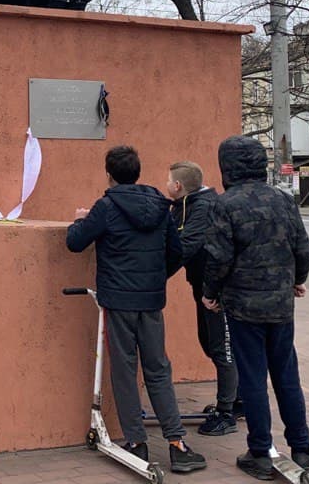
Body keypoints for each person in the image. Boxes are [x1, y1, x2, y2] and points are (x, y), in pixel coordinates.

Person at [68, 145, 207, 474]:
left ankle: (136, 441)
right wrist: (156, 279)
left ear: (110, 174)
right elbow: (175, 251)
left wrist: (79, 220)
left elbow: (75, 243)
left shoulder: (106, 206)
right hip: (151, 301)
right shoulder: (161, 205)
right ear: (138, 171)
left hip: (118, 301)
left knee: (125, 370)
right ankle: (177, 443)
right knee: (158, 369)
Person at [202, 136, 309, 479]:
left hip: (243, 306)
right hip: (281, 305)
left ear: (227, 166)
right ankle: (303, 449)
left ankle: (260, 451)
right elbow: (303, 248)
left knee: (252, 378)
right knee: (287, 375)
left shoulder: (225, 205)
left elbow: (218, 257)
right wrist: (298, 278)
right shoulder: (284, 201)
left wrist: (210, 292)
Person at [165, 161, 240, 436]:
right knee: (210, 344)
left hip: (216, 290)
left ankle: (226, 412)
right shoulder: (184, 205)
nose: (166, 184)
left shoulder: (204, 207)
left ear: (178, 186)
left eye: (168, 180)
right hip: (203, 286)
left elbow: (186, 246)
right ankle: (236, 400)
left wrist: (156, 275)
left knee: (223, 349)